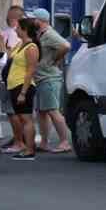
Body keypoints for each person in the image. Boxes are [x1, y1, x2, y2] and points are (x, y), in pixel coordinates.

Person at [29, 11, 71, 152]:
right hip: (41, 78)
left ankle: (64, 142)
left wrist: (55, 59)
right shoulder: (41, 34)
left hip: (49, 78)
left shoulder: (49, 34)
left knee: (53, 110)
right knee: (42, 111)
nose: (31, 21)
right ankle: (44, 142)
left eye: (33, 19)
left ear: (39, 20)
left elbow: (65, 46)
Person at [3, 20, 39, 160]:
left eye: (18, 28)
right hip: (14, 86)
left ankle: (29, 150)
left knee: (26, 119)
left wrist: (23, 92)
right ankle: (26, 148)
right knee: (22, 118)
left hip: (23, 86)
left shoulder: (31, 47)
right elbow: (9, 56)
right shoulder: (20, 45)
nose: (15, 30)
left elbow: (30, 71)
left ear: (24, 30)